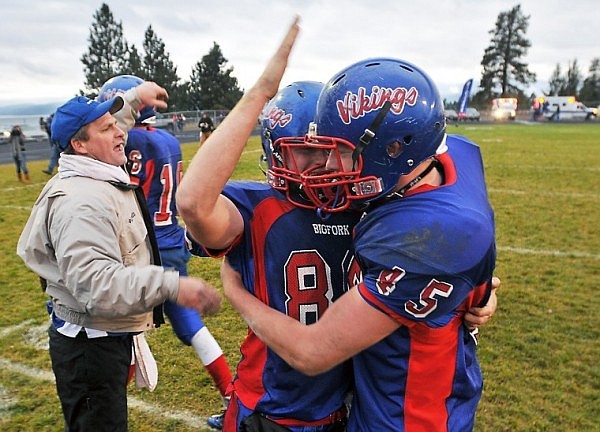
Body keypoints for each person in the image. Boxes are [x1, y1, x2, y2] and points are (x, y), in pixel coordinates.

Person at [177, 19, 498, 432]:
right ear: (276, 153)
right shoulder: (258, 207)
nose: (324, 167)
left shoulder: (371, 202)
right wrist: (259, 94)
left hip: (343, 407)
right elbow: (193, 203)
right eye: (306, 153)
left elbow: (446, 251)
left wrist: (477, 289)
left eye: (327, 151)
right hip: (274, 408)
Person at [16, 86, 222, 432]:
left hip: (103, 336)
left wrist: (136, 94)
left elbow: (113, 122)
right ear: (80, 145)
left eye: (117, 122)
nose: (120, 132)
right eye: (107, 128)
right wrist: (170, 284)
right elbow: (96, 284)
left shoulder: (93, 167)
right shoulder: (81, 202)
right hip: (91, 346)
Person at [98, 74, 234, 414]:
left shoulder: (129, 143)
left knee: (118, 326)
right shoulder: (169, 140)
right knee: (188, 322)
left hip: (140, 244)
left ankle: (111, 404)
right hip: (172, 238)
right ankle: (230, 393)